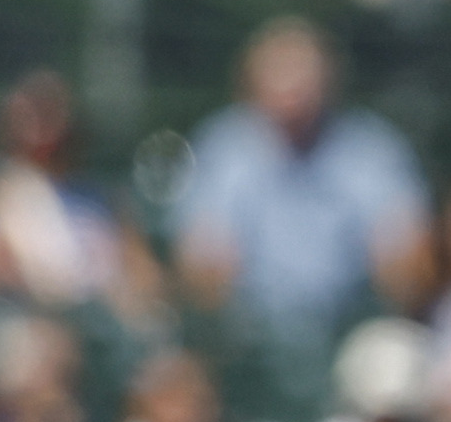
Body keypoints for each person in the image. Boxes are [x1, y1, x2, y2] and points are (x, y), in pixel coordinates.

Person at [168, 22, 433, 341]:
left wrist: (396, 272)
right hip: (247, 334)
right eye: (279, 73)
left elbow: (405, 253)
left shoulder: (370, 149)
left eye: (302, 76)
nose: (292, 91)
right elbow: (202, 259)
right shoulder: (224, 150)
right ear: (251, 83)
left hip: (352, 328)